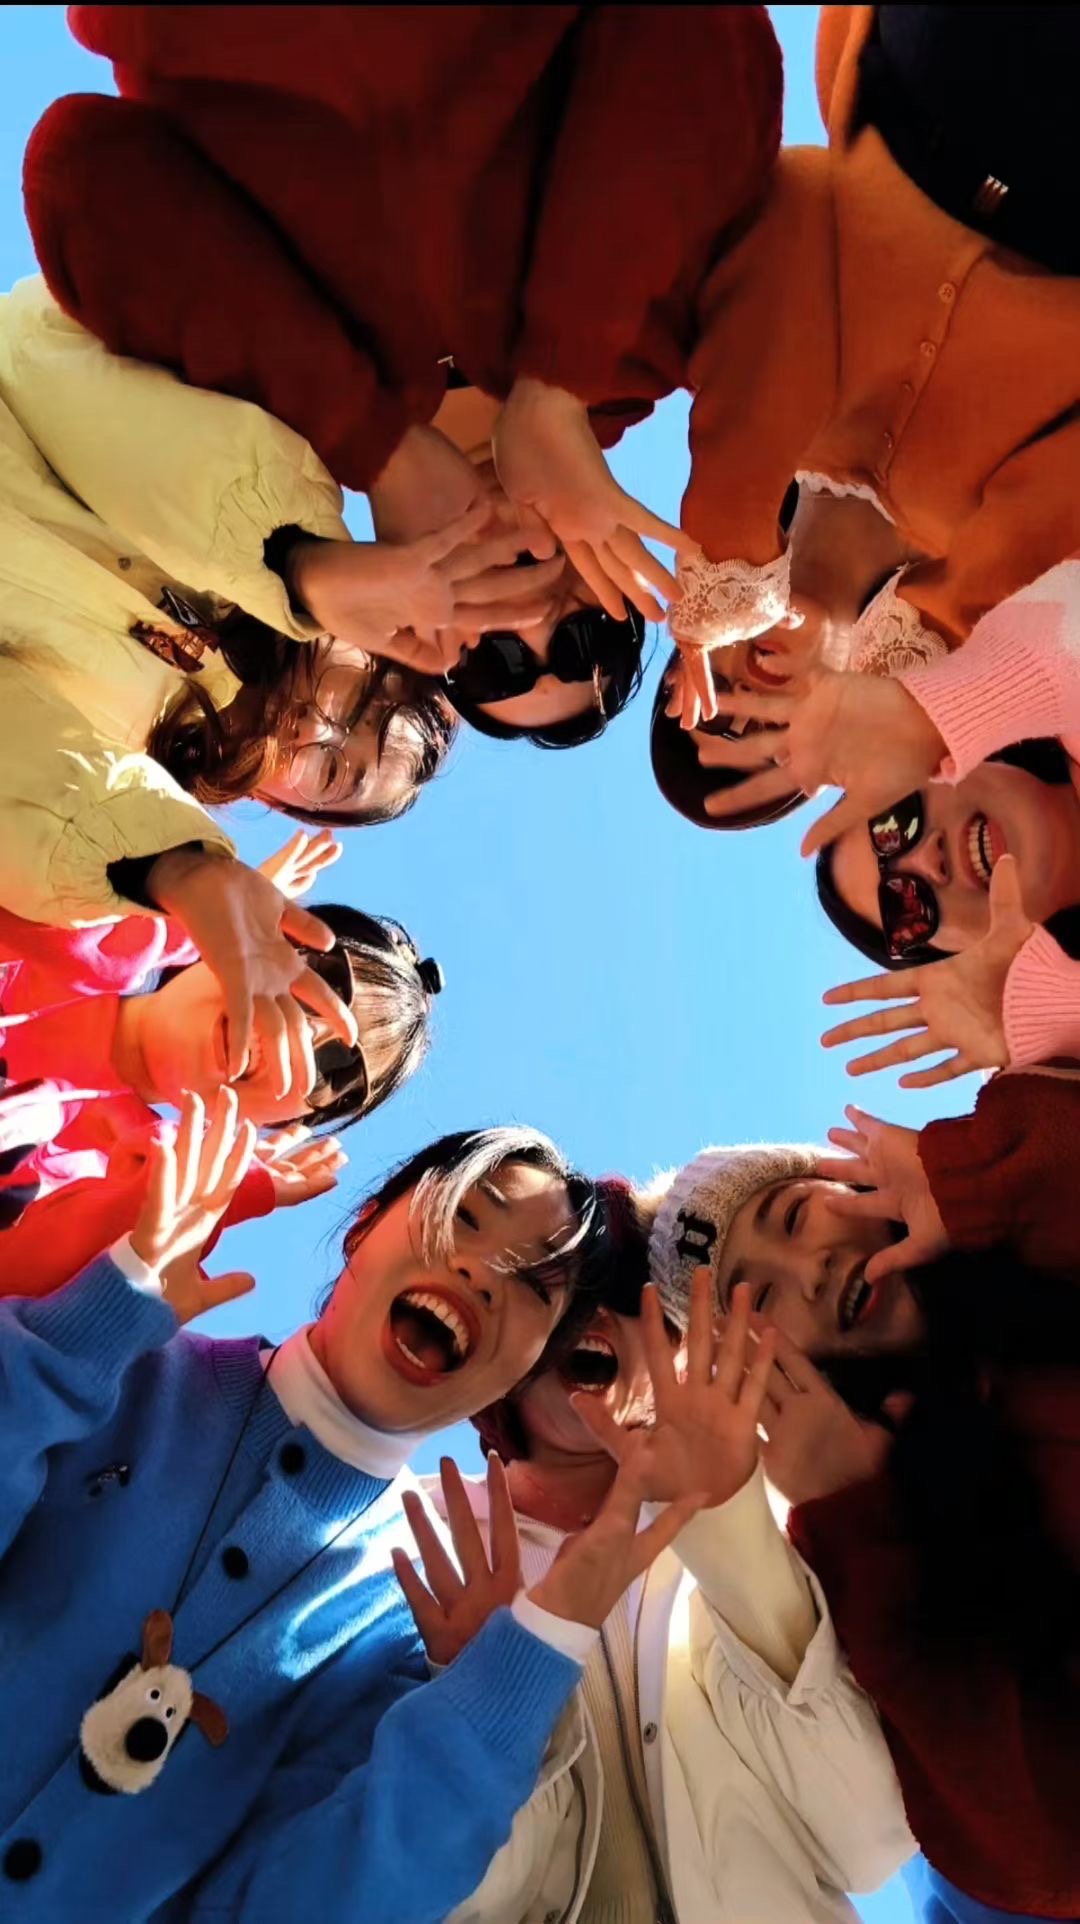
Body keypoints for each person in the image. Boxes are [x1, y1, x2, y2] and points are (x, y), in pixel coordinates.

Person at [0, 1092, 700, 1922]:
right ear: (363, 1227)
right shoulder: (119, 1373)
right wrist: (89, 1330)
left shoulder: (406, 1623)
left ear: (520, 1374)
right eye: (466, 1218)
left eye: (533, 1287)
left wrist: (506, 1677)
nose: (481, 1273)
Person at [24, 5, 784, 741]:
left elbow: (80, 168)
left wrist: (375, 445)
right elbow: (698, 29)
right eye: (591, 645)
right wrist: (558, 381)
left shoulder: (275, 428)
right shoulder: (656, 341)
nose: (535, 617)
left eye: (496, 666)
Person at [407, 1186, 913, 1924]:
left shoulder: (769, 1517)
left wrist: (735, 1541)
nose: (592, 1317)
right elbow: (451, 1892)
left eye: (624, 1287)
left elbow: (867, 1841)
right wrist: (486, 1697)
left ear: (680, 1340)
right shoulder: (408, 1545)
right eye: (545, 1297)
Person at [646, 1139, 1080, 1922]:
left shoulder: (1034, 1216)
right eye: (758, 1297)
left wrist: (975, 1181)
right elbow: (1036, 1846)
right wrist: (855, 1514)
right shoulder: (861, 1536)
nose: (808, 1272)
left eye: (795, 1215)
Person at [0, 829, 443, 1297]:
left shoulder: (116, 1185)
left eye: (333, 1070)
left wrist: (186, 1203)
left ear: (288, 1119)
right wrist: (182, 899)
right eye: (317, 985)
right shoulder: (82, 932)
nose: (297, 1036)